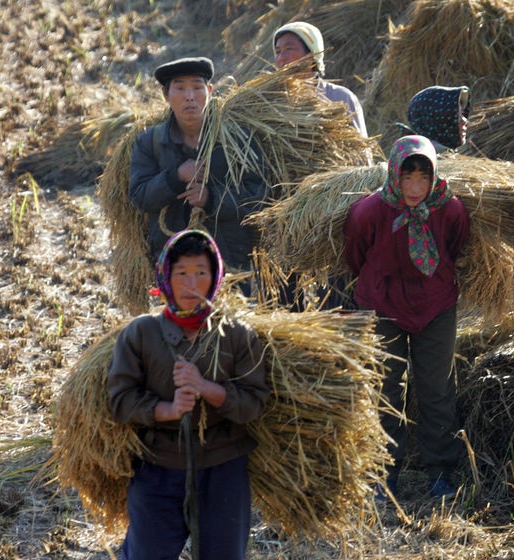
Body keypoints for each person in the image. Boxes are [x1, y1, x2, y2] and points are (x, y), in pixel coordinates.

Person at [107, 229, 270, 559]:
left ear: (216, 278)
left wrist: (207, 388)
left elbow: (255, 402)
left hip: (223, 466)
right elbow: (119, 399)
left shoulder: (237, 334)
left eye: (201, 273)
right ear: (166, 276)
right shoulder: (141, 333)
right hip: (158, 466)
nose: (191, 285)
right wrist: (166, 409)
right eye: (181, 273)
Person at [343, 135, 471, 499]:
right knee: (385, 387)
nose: (415, 188)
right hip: (382, 304)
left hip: (435, 304)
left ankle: (440, 472)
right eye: (407, 177)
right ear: (393, 175)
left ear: (434, 177)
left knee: (436, 387)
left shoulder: (450, 209)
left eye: (423, 178)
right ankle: (384, 474)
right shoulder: (367, 212)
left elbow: (455, 245)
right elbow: (356, 255)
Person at [129, 56, 268, 284]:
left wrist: (211, 198)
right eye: (180, 88)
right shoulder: (149, 142)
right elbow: (139, 196)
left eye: (196, 87)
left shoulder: (237, 139)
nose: (190, 96)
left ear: (210, 91)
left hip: (230, 261)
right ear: (166, 95)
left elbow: (259, 195)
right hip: (173, 261)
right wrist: (176, 177)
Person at [272, 21, 369, 138]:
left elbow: (362, 149)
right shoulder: (271, 102)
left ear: (312, 54)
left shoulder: (340, 97)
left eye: (289, 49)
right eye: (278, 52)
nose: (282, 58)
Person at [398, 85, 471, 152]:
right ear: (435, 119)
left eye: (463, 114)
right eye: (456, 115)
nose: (465, 121)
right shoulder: (426, 163)